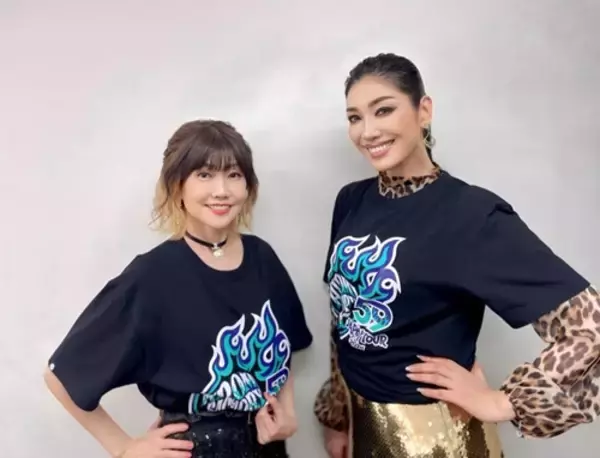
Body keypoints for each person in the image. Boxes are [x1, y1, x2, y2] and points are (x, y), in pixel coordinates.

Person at [312, 52, 599, 458]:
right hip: (363, 428)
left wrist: (502, 402)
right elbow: (343, 313)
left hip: (435, 440)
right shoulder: (351, 200)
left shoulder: (471, 215)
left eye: (384, 110)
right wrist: (339, 416)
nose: (367, 131)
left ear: (423, 110)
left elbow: (590, 328)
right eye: (354, 118)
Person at [44, 119, 313, 458]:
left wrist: (286, 410)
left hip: (268, 447)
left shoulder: (263, 258)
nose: (221, 190)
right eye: (204, 174)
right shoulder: (152, 275)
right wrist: (124, 448)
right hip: (195, 448)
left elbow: (285, 345)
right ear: (177, 185)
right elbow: (61, 375)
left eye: (233, 174)